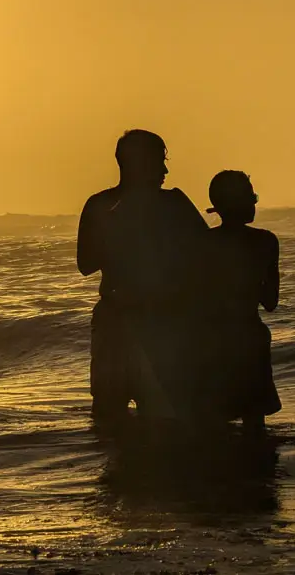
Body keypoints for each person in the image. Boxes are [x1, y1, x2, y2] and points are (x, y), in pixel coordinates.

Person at [77, 130, 207, 424]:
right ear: (138, 163)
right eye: (159, 161)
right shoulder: (101, 206)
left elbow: (207, 252)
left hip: (164, 318)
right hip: (119, 320)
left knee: (164, 410)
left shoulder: (173, 203)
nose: (165, 170)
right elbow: (85, 264)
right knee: (109, 410)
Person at [200, 170, 281, 434]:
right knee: (254, 423)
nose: (255, 202)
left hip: (211, 340)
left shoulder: (203, 243)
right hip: (249, 336)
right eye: (251, 196)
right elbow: (270, 302)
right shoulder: (265, 242)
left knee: (213, 425)